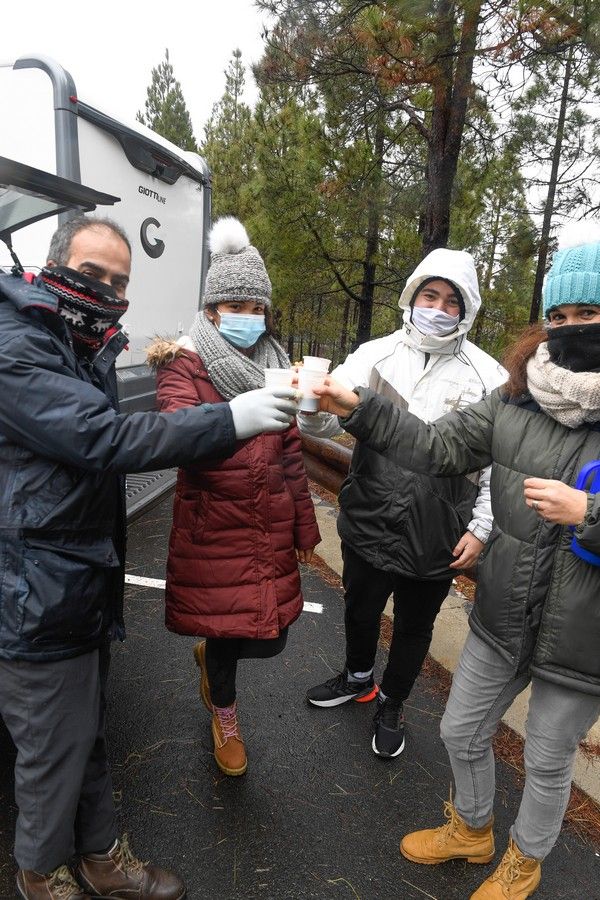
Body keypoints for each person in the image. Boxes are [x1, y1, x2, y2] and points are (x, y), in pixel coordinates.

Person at [0, 216, 300, 900]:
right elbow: (100, 437)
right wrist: (234, 418)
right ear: (52, 268)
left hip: (75, 576)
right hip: (33, 587)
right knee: (52, 744)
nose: (104, 289)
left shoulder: (78, 339)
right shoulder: (16, 344)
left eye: (119, 281)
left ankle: (101, 856)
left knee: (84, 731)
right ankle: (42, 875)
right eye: (91, 273)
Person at [313, 226, 600, 899]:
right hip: (504, 612)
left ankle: (524, 863)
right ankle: (472, 830)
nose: (571, 328)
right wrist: (360, 410)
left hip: (583, 636)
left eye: (587, 313)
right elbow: (438, 447)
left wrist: (588, 515)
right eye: (558, 316)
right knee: (460, 727)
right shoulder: (515, 398)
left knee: (548, 757)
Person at [299, 249, 506, 758]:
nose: (438, 308)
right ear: (411, 298)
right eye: (428, 296)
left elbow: (503, 467)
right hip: (369, 514)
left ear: (467, 310)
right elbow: (327, 420)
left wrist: (481, 528)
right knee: (361, 608)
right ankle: (358, 677)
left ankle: (391, 703)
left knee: (415, 626)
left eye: (451, 301)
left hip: (438, 530)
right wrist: (309, 408)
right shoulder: (376, 355)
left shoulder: (489, 377)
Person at [147, 217, 320, 778]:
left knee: (272, 637)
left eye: (257, 307)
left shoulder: (274, 364)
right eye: (235, 305)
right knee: (225, 631)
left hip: (268, 524)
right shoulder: (183, 360)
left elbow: (291, 453)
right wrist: (231, 419)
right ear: (213, 307)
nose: (248, 317)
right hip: (213, 525)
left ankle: (211, 664)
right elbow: (175, 428)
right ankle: (225, 714)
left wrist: (303, 529)